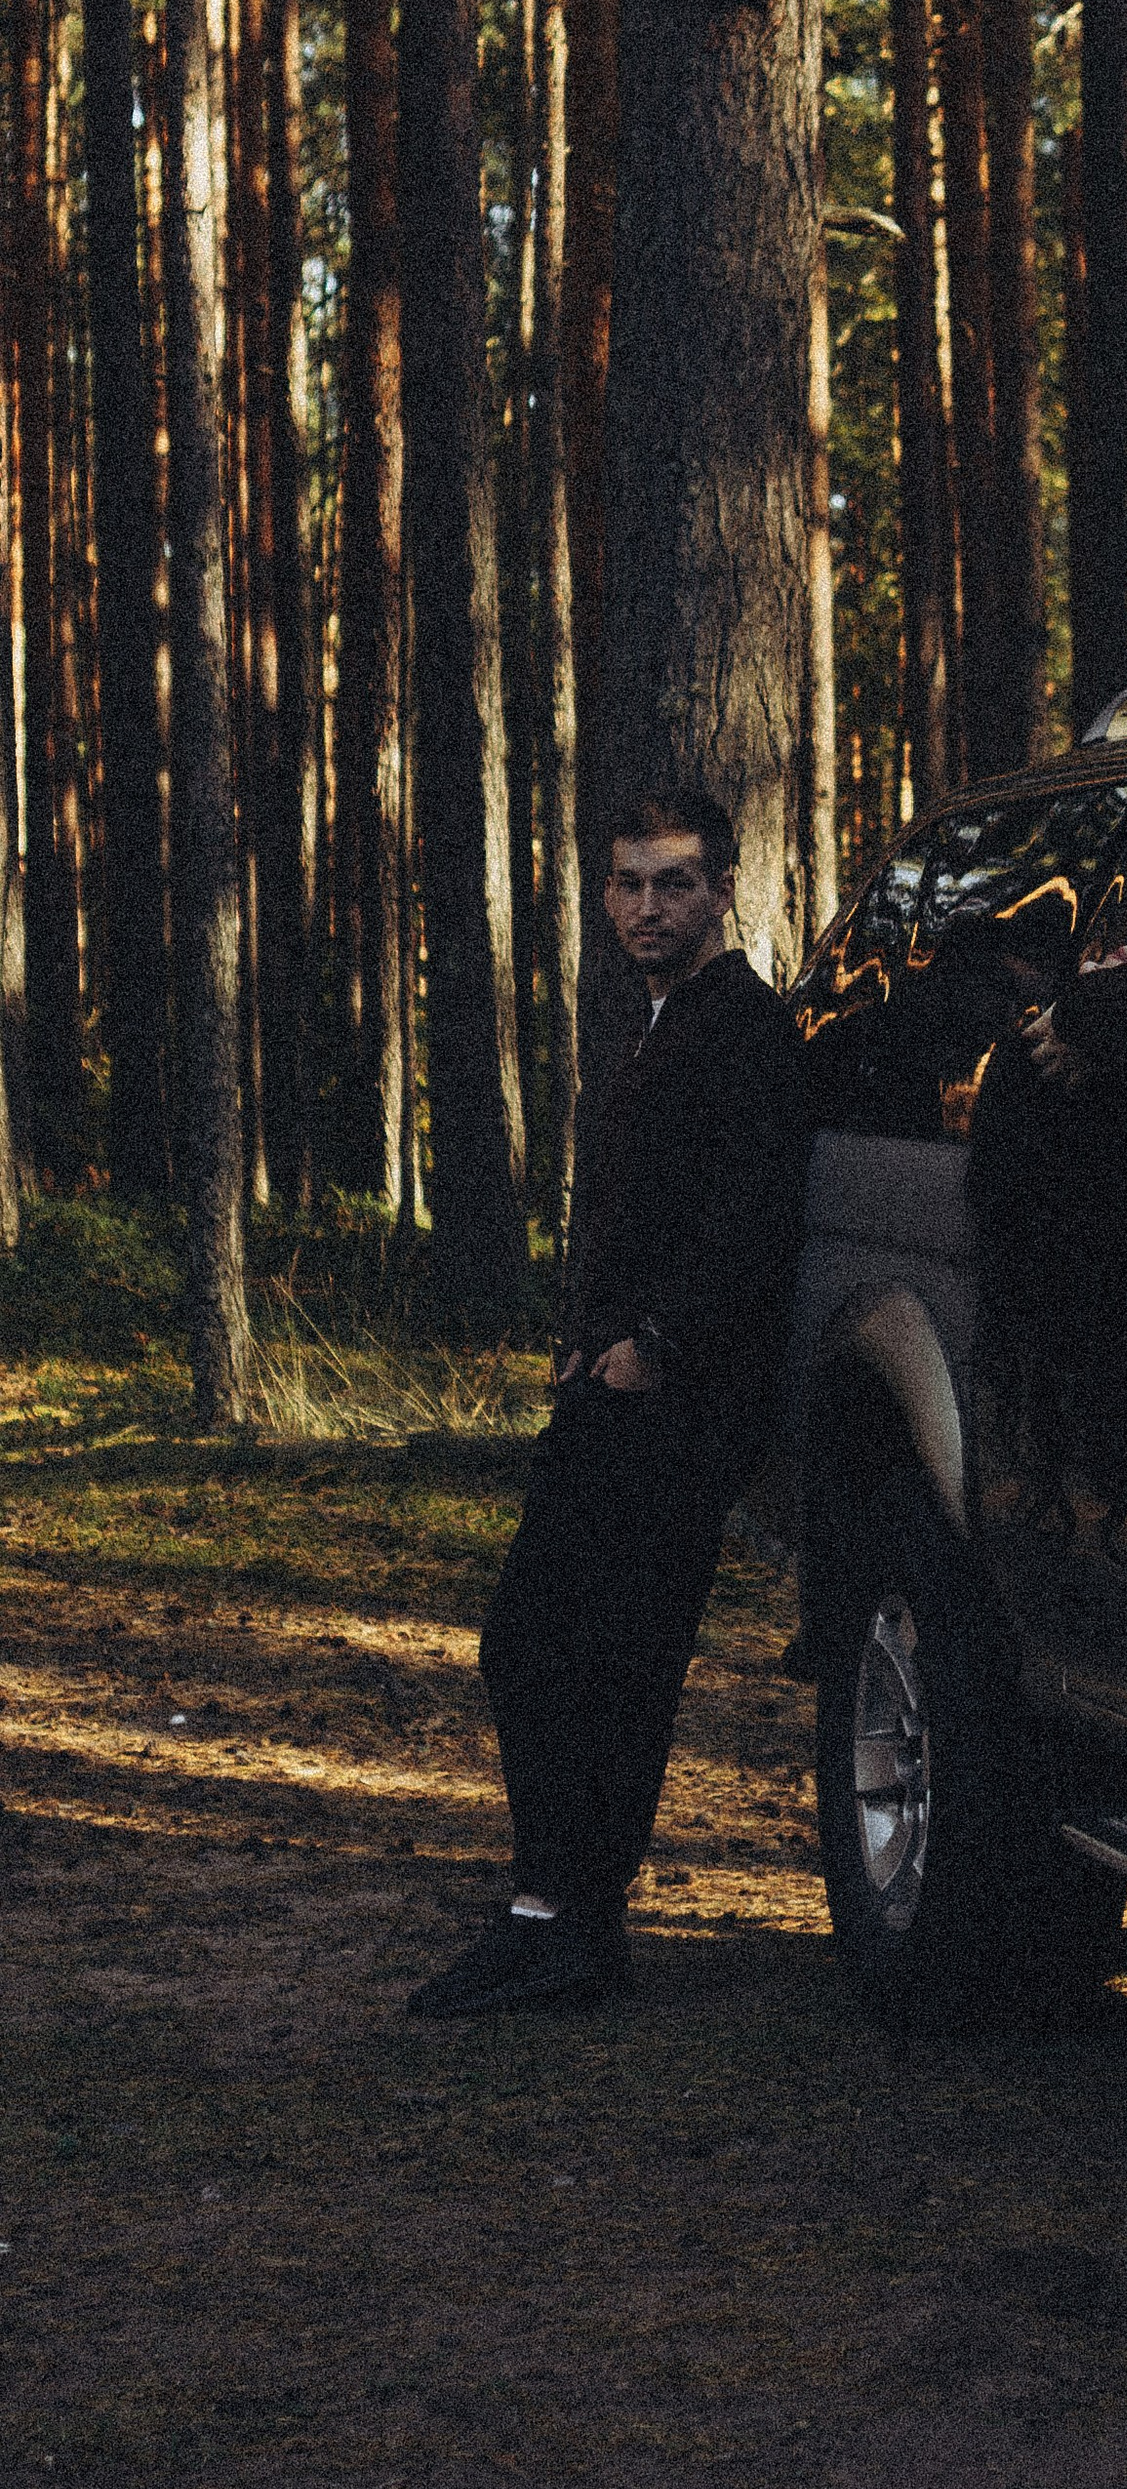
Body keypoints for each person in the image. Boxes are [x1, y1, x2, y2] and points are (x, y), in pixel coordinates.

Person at [408, 785, 807, 2018]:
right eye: (628, 884)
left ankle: (569, 1926)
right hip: (618, 1385)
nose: (647, 905)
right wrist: (589, 1345)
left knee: (599, 1659)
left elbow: (757, 1214)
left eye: (673, 882)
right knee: (542, 1647)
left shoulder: (741, 1028)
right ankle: (557, 1916)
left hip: (677, 1400)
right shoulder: (658, 1022)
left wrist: (655, 1344)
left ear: (721, 890)